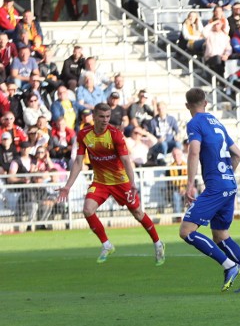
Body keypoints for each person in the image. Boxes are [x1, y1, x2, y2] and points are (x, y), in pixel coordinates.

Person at [56, 103, 165, 264]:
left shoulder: (115, 134)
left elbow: (126, 160)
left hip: (121, 181)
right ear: (93, 117)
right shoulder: (84, 134)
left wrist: (132, 182)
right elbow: (78, 162)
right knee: (87, 209)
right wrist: (67, 186)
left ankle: (158, 243)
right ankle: (107, 245)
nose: (105, 120)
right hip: (100, 181)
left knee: (138, 213)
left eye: (108, 116)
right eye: (101, 116)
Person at [179, 88, 240, 293]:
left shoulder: (194, 123)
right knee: (220, 235)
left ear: (187, 106)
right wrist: (226, 177)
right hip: (229, 184)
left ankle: (229, 265)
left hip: (217, 186)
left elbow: (194, 151)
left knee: (186, 231)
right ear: (206, 103)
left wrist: (190, 184)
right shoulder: (216, 122)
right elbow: (238, 155)